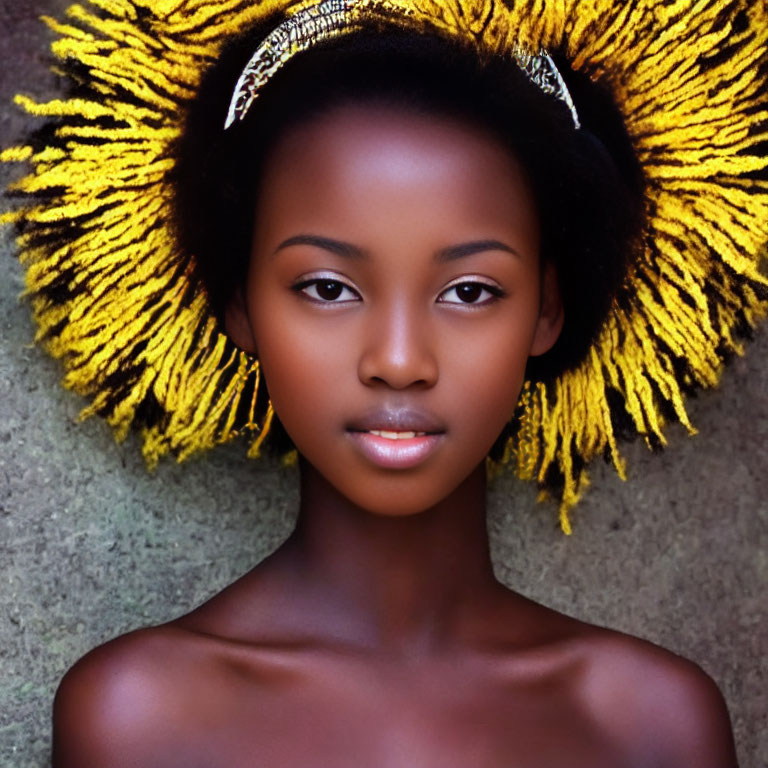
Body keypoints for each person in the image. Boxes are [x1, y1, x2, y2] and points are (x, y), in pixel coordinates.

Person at [3, 0, 766, 765]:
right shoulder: (137, 719)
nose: (399, 360)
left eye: (470, 291)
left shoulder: (654, 727)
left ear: (547, 308)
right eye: (328, 288)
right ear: (240, 303)